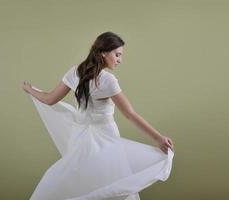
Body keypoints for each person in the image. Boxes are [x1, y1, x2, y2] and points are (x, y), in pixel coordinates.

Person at [22, 31, 174, 200]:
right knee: (112, 181)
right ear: (103, 53)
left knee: (84, 182)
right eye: (117, 54)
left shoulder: (75, 72)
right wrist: (158, 138)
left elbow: (50, 99)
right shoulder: (108, 80)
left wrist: (31, 90)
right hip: (105, 138)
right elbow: (130, 114)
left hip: (80, 137)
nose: (120, 60)